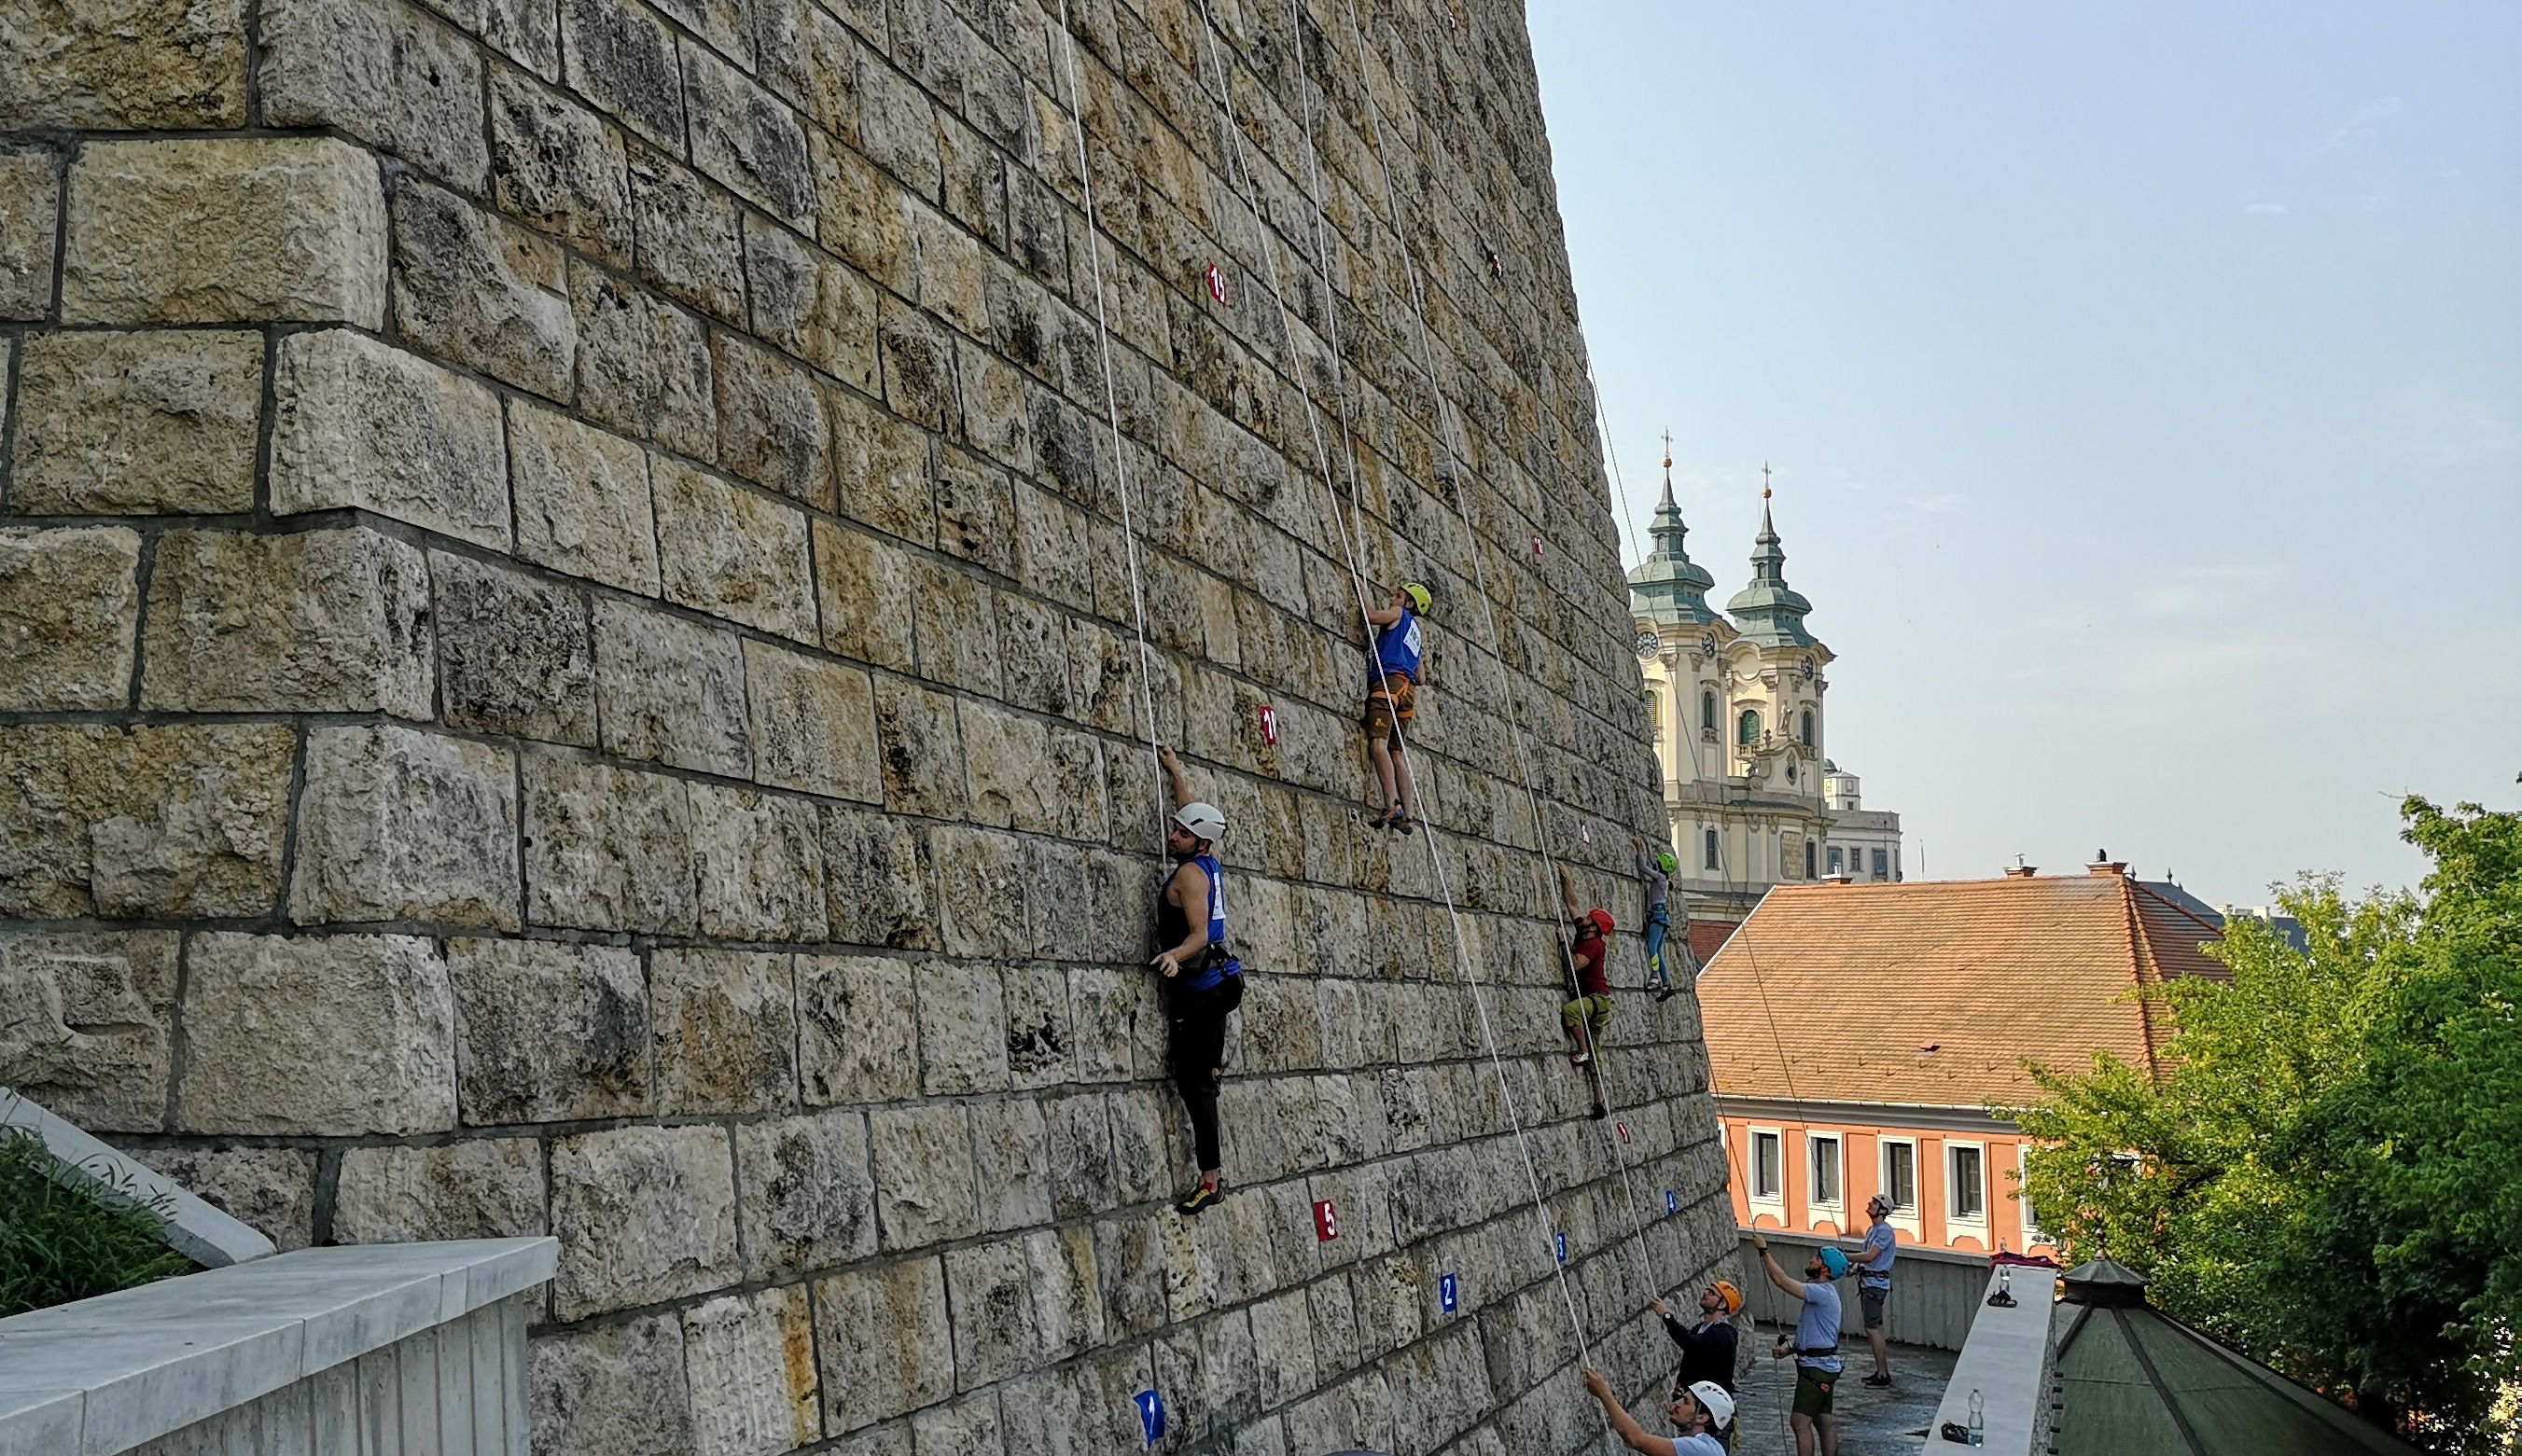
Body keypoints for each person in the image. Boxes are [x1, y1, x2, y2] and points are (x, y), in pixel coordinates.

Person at [1151, 745, 1244, 1215]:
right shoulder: (1205, 858)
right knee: (1204, 1073)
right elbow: (1193, 815)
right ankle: (1211, 1065)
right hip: (1221, 985)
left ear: (1199, 843)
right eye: (1175, 829)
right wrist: (1174, 771)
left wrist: (1172, 955)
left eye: (1181, 834)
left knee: (1194, 1088)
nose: (1173, 836)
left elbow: (1199, 935)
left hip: (1201, 991)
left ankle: (1210, 1179)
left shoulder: (1190, 875)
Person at [1752, 1229, 1846, 1456]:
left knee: (1799, 1422)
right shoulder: (1825, 1294)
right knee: (1823, 1421)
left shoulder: (1821, 1293)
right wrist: (1789, 1349)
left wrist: (1764, 1251)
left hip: (1816, 1369)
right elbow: (1817, 1334)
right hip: (1823, 1366)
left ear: (1824, 1269)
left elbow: (1781, 1281)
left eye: (1816, 1258)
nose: (1811, 1260)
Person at [1361, 582, 1430, 832]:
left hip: (1389, 684)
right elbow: (1421, 678)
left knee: (1378, 744)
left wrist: (1363, 593)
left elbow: (1372, 617)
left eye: (1398, 596)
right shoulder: (1415, 635)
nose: (1393, 598)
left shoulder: (1400, 614)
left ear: (1409, 604)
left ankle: (1391, 804)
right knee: (1397, 754)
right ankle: (1408, 816)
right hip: (1408, 693)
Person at [1652, 1281, 1742, 1449]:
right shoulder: (1701, 1329)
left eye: (1712, 1293)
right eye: (1708, 1290)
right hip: (1700, 1410)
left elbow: (1692, 1344)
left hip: (1713, 1418)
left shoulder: (1724, 1334)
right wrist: (1678, 1397)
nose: (1705, 1293)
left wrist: (1666, 1316)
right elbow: (1689, 1367)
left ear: (1722, 1304)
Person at [1580, 1368, 1734, 1456]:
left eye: (1685, 1402)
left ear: (1702, 1417)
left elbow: (1635, 1439)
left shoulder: (1698, 1448)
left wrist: (1603, 1394)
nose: (1677, 1404)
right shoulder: (1714, 1447)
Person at [1556, 863, 1614, 1091]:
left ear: (1594, 928)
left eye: (1589, 919)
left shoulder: (1594, 945)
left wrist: (1562, 943)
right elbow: (1572, 904)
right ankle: (1599, 1098)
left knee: (1571, 1011)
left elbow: (1576, 965)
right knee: (1596, 1047)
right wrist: (1566, 879)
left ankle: (1583, 1051)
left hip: (1597, 1000)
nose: (1584, 919)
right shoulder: (1585, 932)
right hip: (1594, 1001)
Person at [1634, 835, 1686, 1001]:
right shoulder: (1663, 878)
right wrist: (1648, 845)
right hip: (1662, 916)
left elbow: (1644, 867)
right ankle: (1666, 984)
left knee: (1651, 949)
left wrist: (1639, 849)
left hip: (1658, 916)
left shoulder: (1660, 878)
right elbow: (1652, 864)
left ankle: (1655, 977)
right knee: (1659, 952)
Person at [1852, 1194, 1897, 1384]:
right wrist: (1854, 1267)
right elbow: (1868, 1259)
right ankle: (1880, 1371)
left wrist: (1845, 1257)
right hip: (1869, 1283)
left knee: (1873, 1329)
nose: (1869, 1204)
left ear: (1883, 1210)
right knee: (1872, 1328)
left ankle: (1882, 1373)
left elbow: (1870, 1256)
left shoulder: (1884, 1231)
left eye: (1874, 1203)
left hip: (1874, 1285)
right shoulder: (1873, 1230)